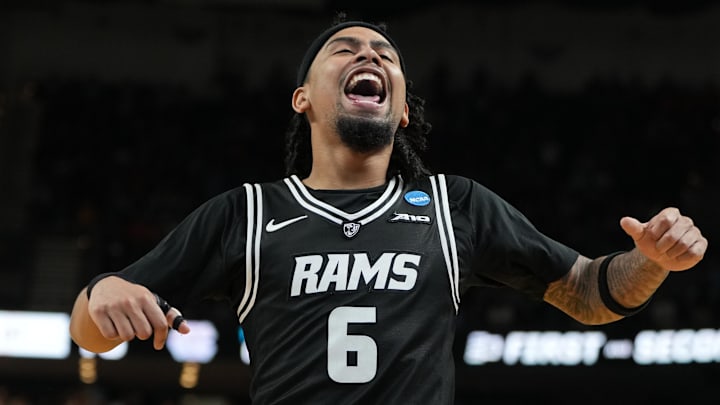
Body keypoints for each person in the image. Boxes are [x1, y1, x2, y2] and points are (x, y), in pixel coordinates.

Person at [69, 18, 708, 405]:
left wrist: (649, 262)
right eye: (345, 50)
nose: (370, 56)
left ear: (402, 110)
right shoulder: (248, 211)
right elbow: (87, 328)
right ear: (303, 99)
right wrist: (104, 293)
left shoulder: (456, 206)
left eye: (386, 54)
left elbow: (588, 293)